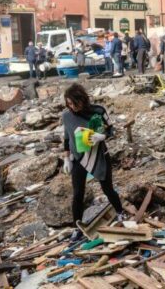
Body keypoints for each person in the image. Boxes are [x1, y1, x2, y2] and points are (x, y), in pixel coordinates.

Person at [61, 83, 126, 242]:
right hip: (78, 158)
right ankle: (77, 227)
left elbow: (112, 129)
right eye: (68, 104)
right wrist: (67, 158)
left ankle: (120, 213)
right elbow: (67, 137)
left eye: (74, 103)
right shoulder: (67, 116)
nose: (72, 107)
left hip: (99, 155)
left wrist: (102, 137)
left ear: (82, 100)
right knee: (78, 194)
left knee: (107, 188)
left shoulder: (98, 111)